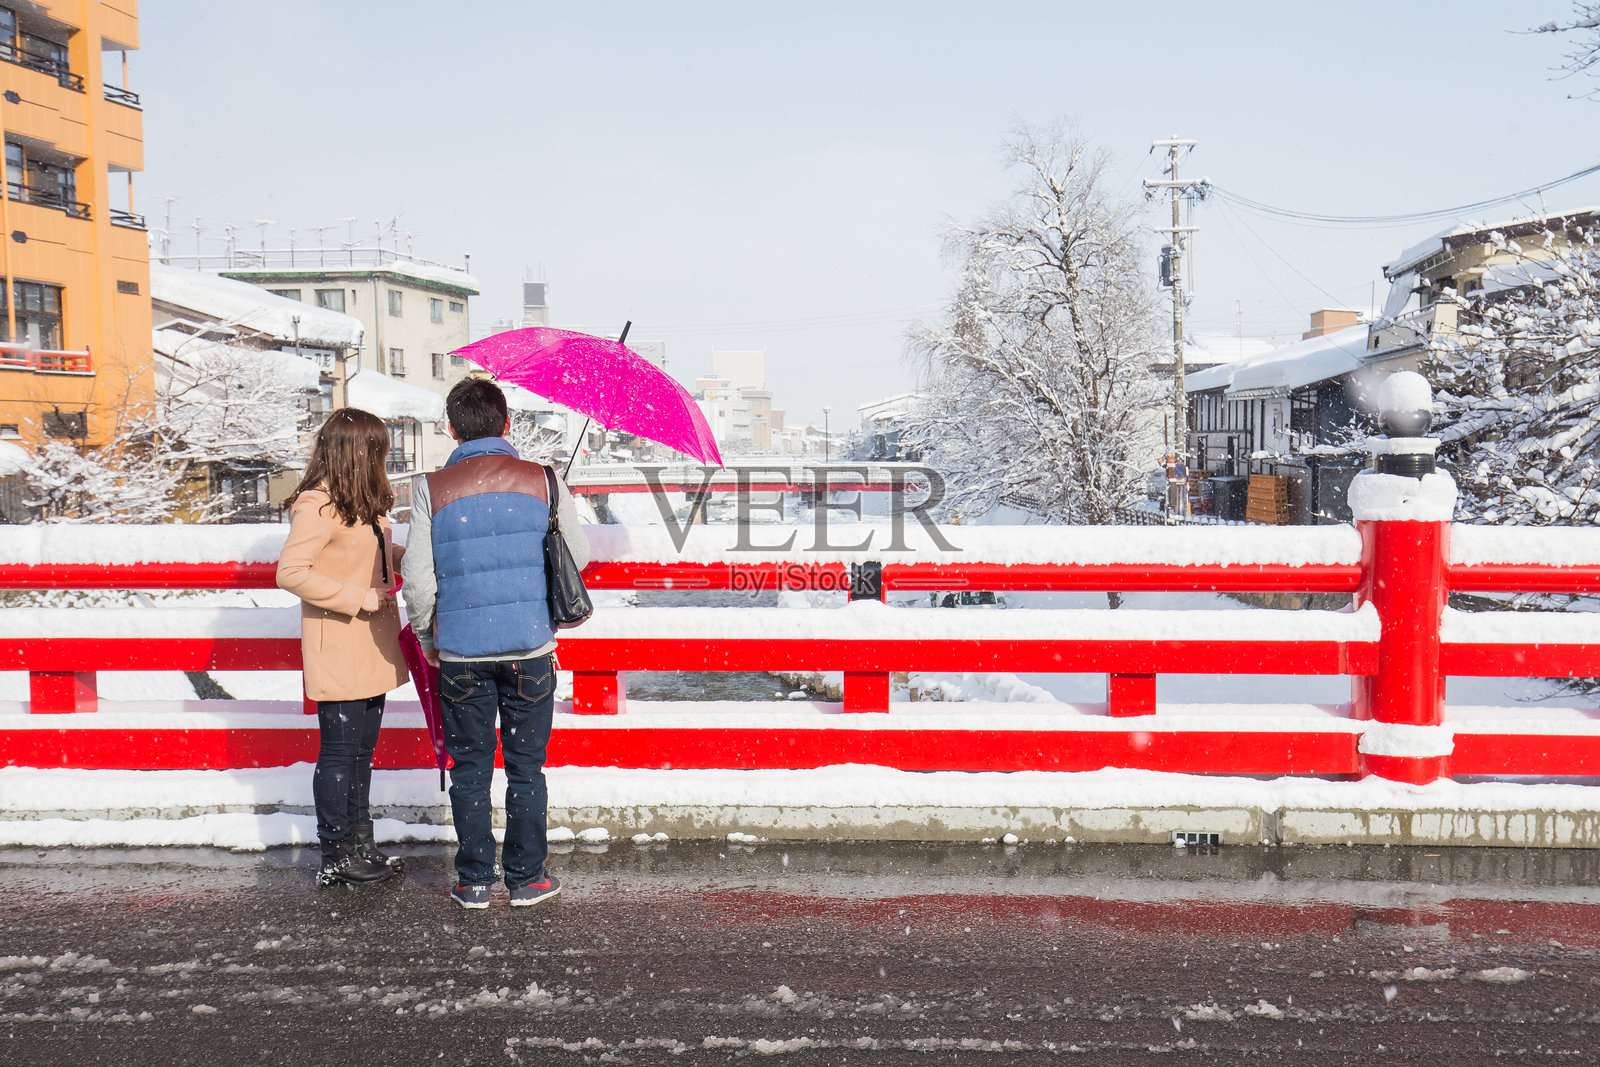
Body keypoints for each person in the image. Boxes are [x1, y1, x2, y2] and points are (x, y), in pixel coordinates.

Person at [401, 377, 589, 910]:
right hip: (530, 649)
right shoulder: (545, 481)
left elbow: (417, 576)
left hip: (460, 652)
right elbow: (577, 553)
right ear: (507, 424)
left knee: (471, 767)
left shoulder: (432, 487)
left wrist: (428, 634)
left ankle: (475, 879)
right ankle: (527, 878)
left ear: (452, 428)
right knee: (526, 766)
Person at [277, 408, 409, 887]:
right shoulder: (316, 504)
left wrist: (404, 556)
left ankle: (361, 841)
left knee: (361, 752)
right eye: (377, 449)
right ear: (357, 452)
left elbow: (366, 552)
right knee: (338, 753)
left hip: (371, 646)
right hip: (339, 644)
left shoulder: (363, 501)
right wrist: (359, 598)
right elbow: (290, 572)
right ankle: (334, 849)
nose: (383, 457)